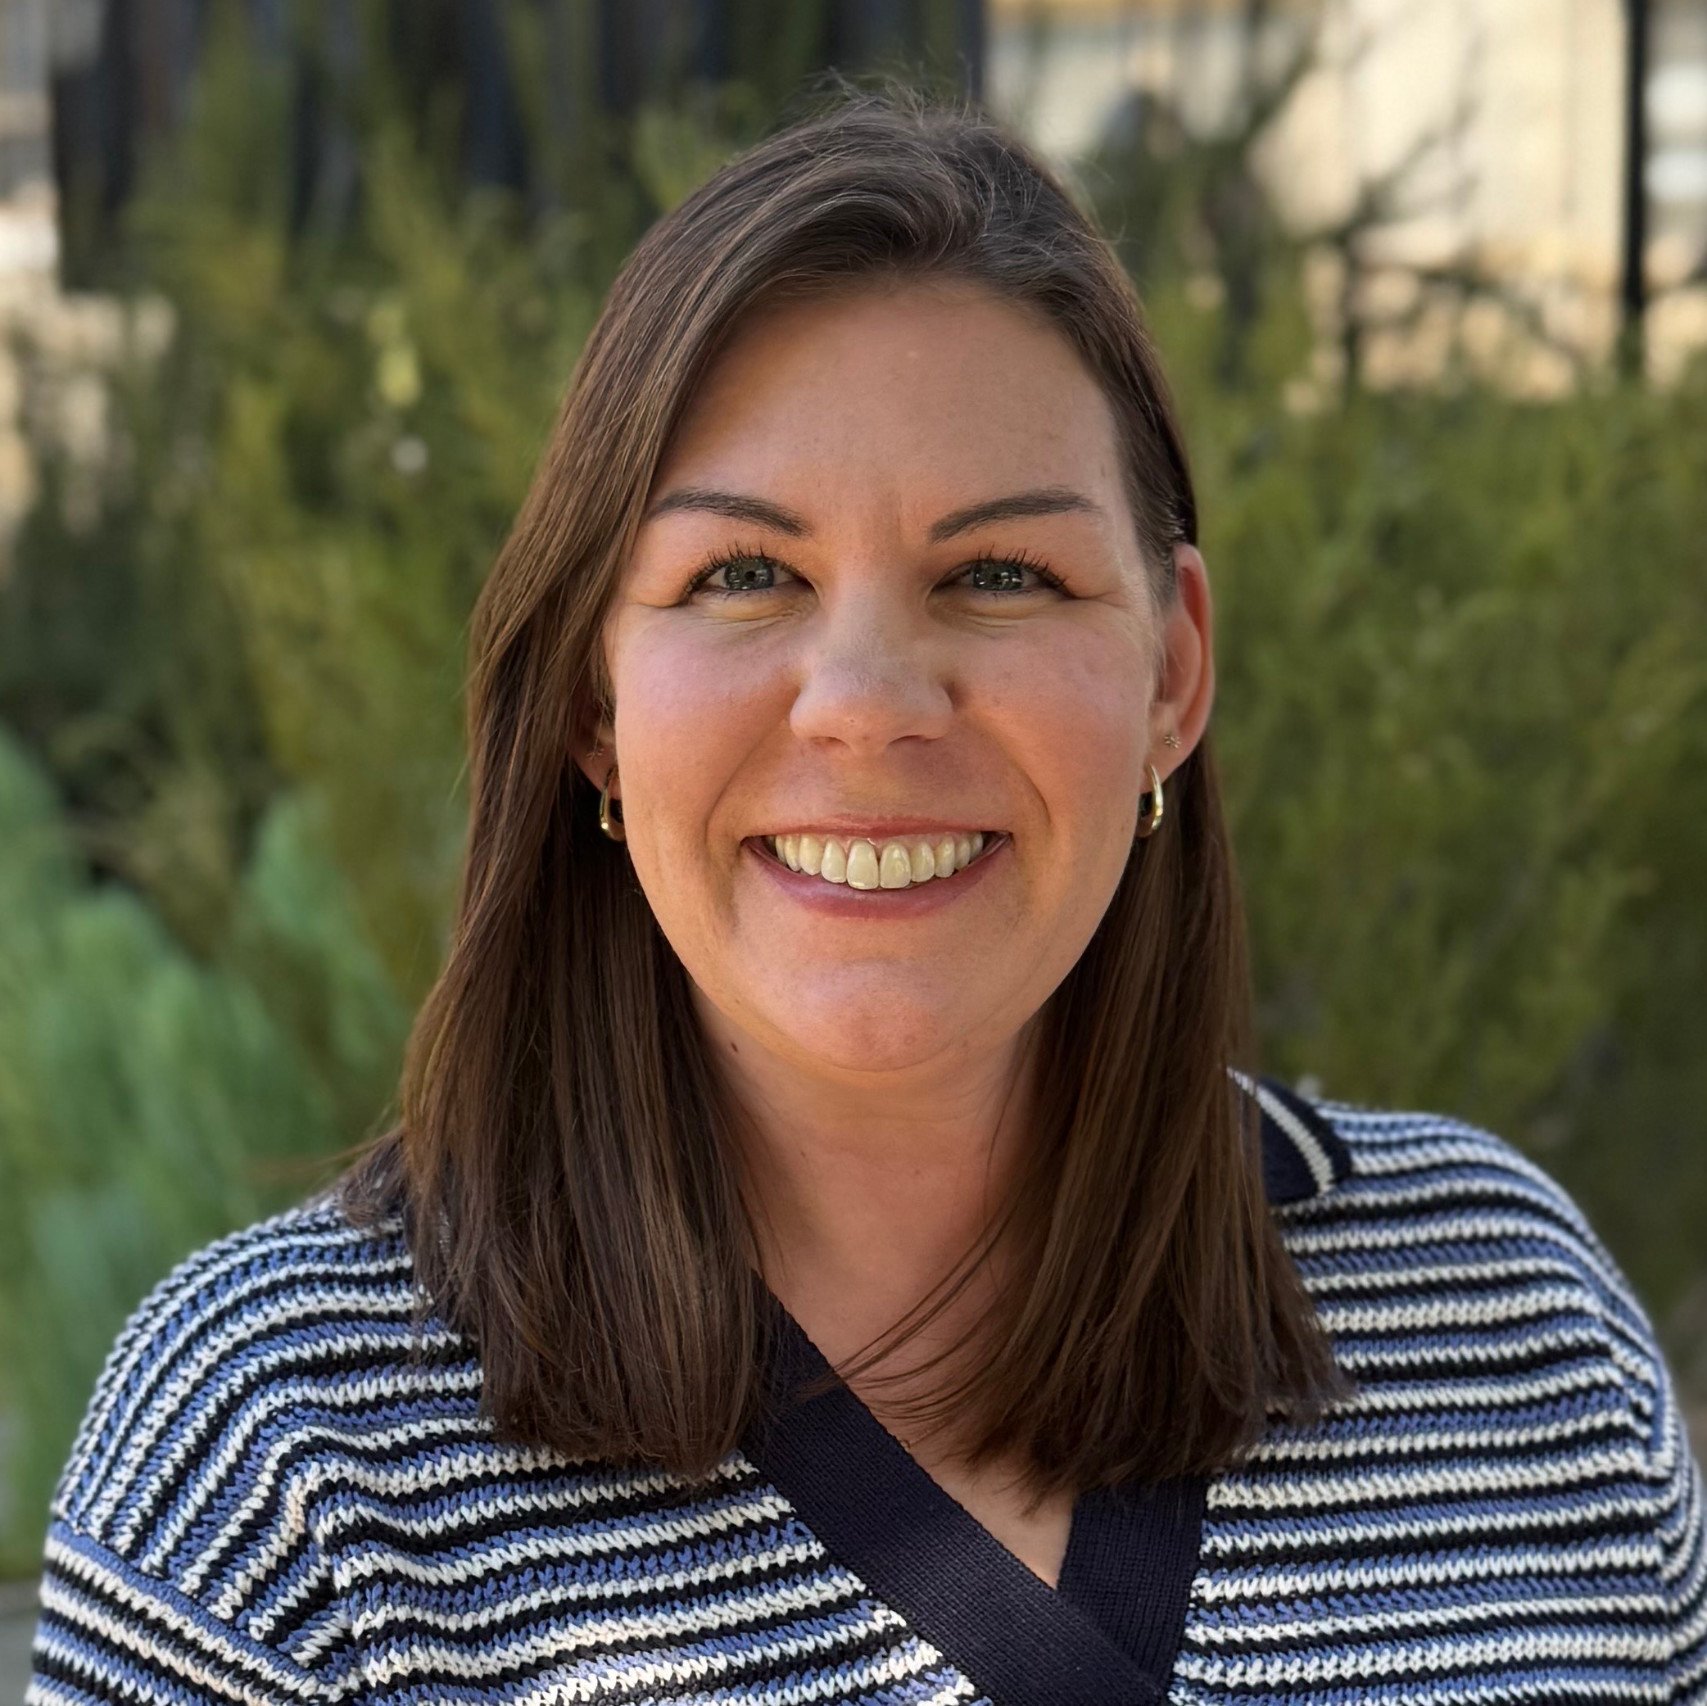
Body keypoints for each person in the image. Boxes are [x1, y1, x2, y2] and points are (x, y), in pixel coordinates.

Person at [25, 84, 1706, 1706]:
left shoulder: (1514, 1323)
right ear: (596, 709)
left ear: (1174, 674)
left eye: (1000, 574)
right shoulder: (283, 1460)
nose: (870, 699)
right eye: (744, 575)